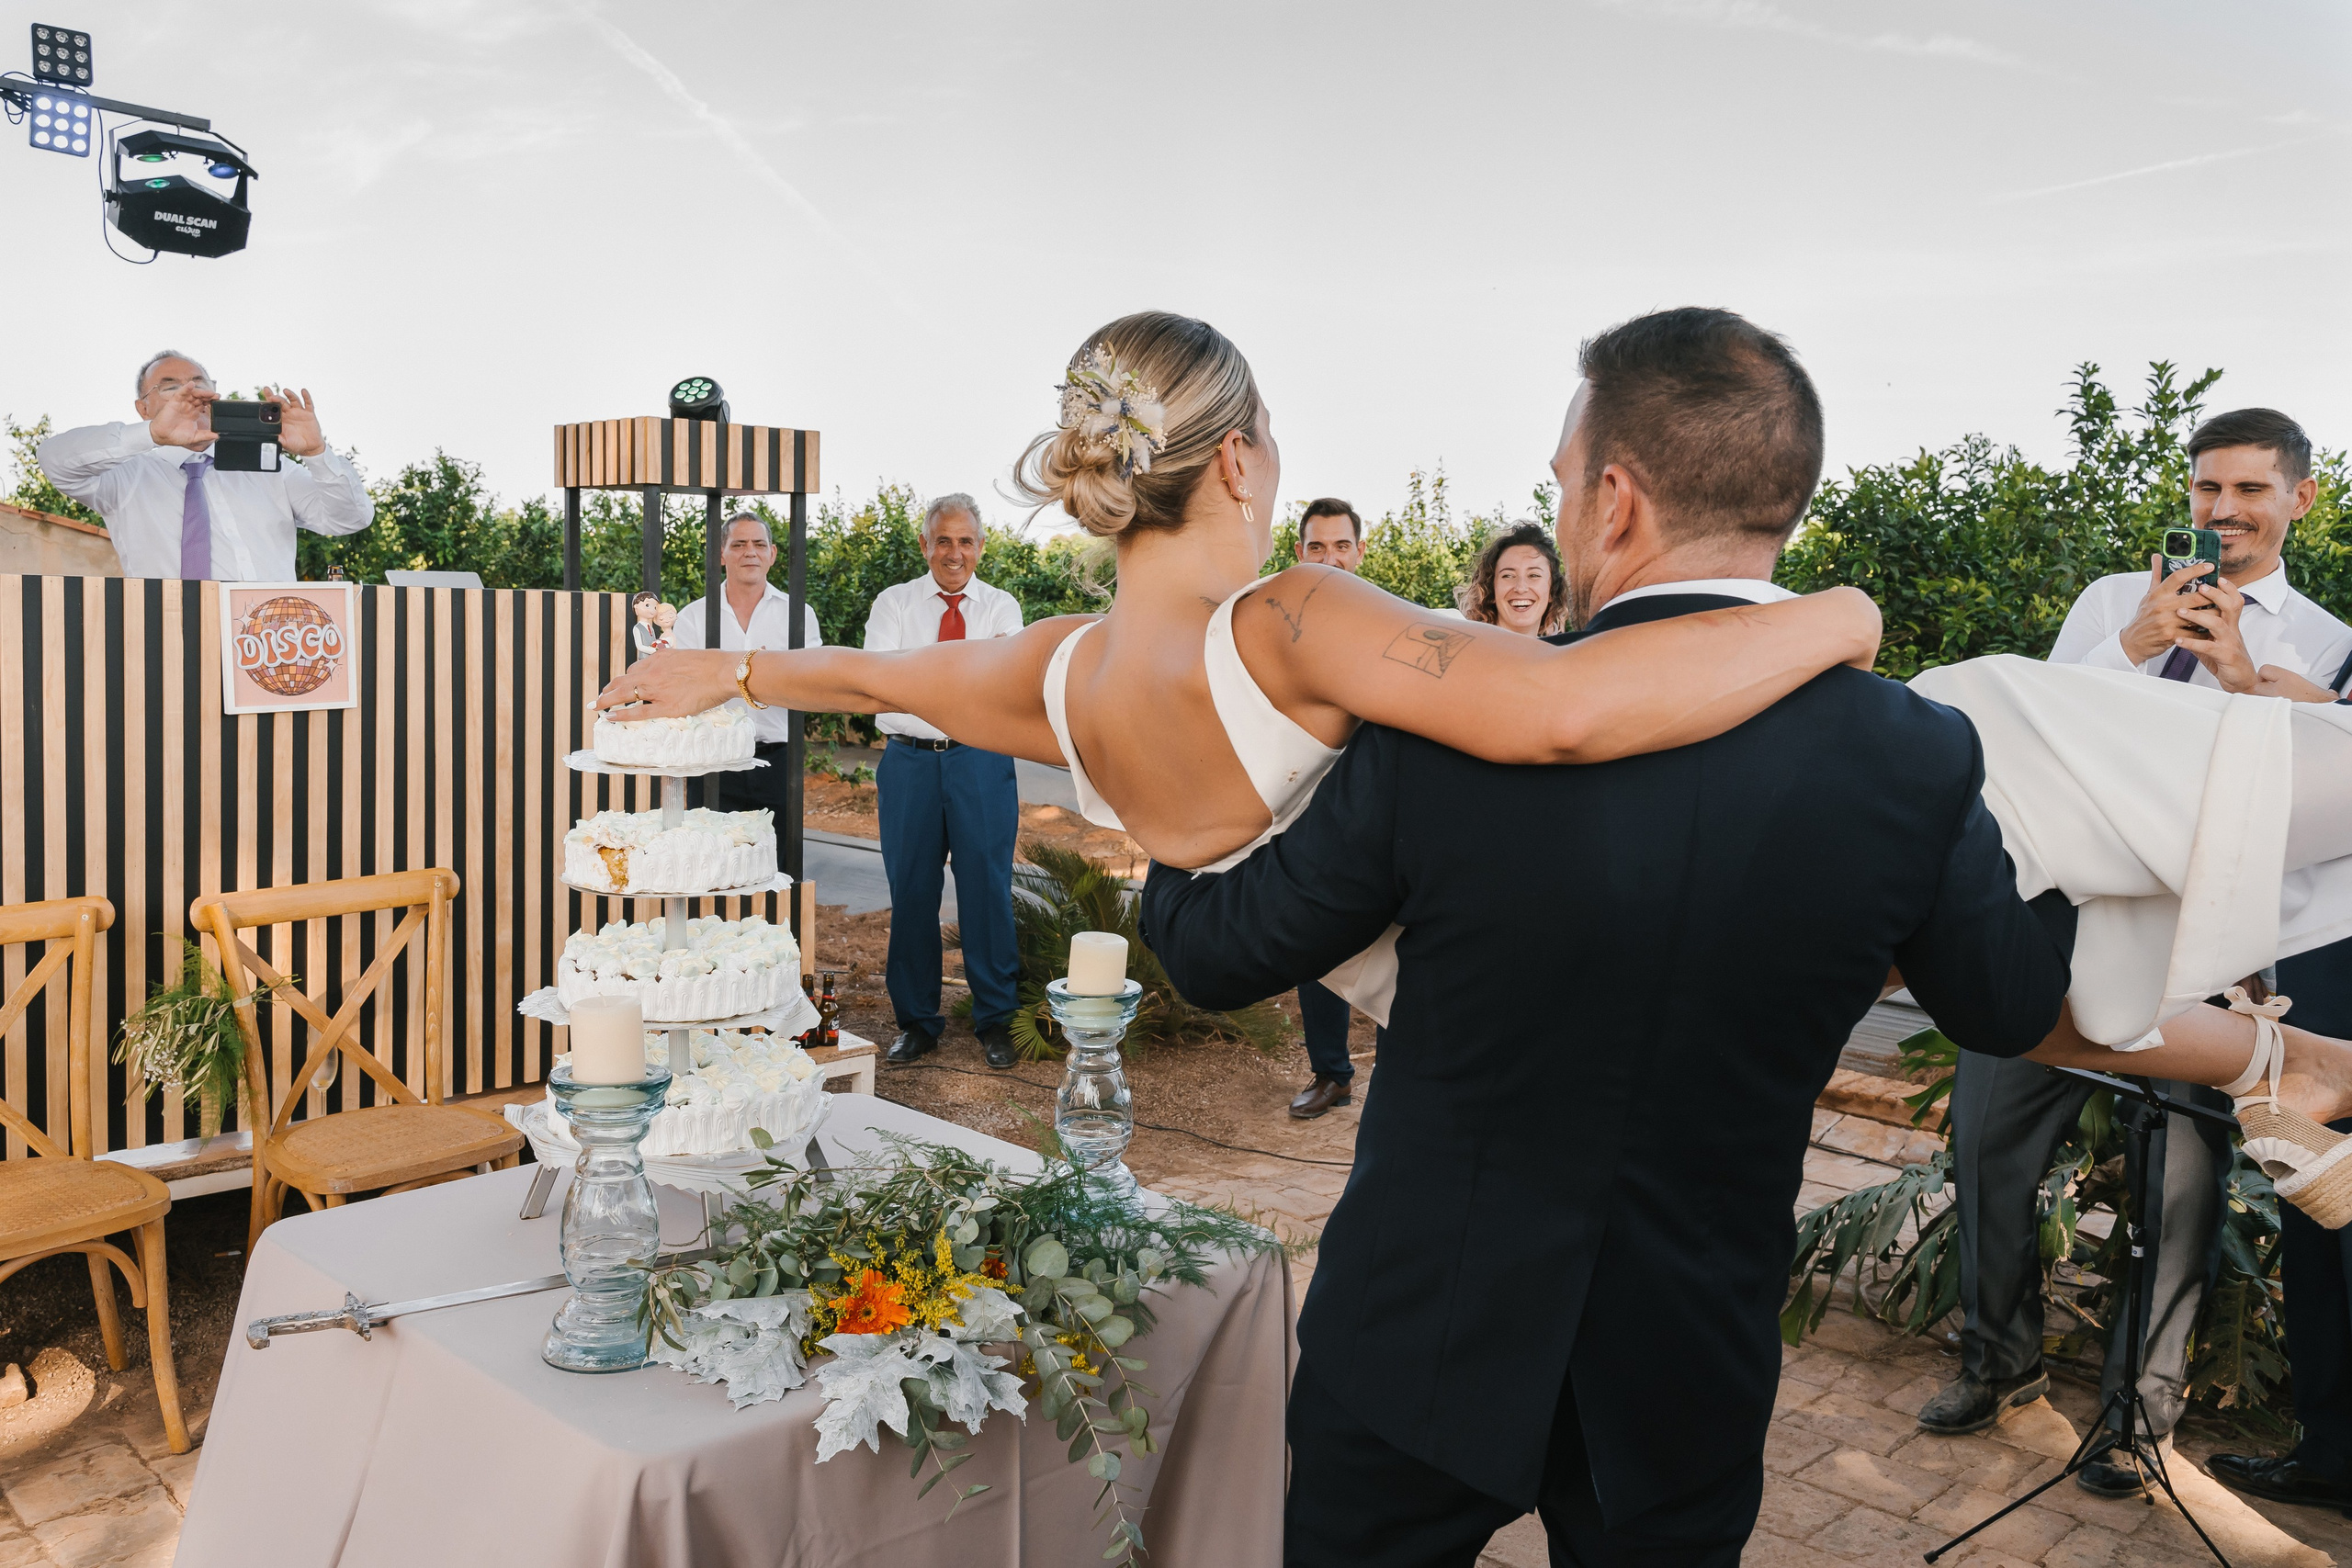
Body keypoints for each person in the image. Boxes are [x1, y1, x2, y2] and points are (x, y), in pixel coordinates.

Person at [1139, 306, 2084, 1565]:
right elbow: (2010, 1002)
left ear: (1617, 499)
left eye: (1563, 476)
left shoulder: (1451, 721)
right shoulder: (1915, 754)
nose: (1561, 499)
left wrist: (1153, 768)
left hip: (1425, 1322)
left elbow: (1215, 951)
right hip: (1686, 1354)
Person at [601, 310, 1883, 888]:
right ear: (1233, 459)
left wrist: (733, 671)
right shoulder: (1295, 622)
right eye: (1270, 438)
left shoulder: (1063, 669)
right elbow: (1561, 706)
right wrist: (1837, 615)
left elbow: (879, 680)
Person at [1923, 407, 2352, 1498]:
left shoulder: (2326, 643)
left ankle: (2135, 1420)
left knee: (2179, 1194)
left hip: (2208, 950)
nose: (2222, 512)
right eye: (2207, 489)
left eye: (2249, 490)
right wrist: (2135, 645)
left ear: (2299, 498)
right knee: (1992, 1152)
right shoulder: (2116, 601)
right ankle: (1997, 1365)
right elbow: (2035, 736)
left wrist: (2247, 672)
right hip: (2053, 923)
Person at [859, 495, 1027, 1070]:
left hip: (981, 760)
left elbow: (1006, 687)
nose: (954, 553)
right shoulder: (894, 604)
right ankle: (917, 1022)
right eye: (943, 540)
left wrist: (920, 679)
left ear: (981, 547)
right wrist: (964, 686)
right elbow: (879, 686)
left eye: (966, 541)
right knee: (911, 892)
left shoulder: (1003, 608)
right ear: (925, 545)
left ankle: (996, 1020)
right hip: (909, 763)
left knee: (986, 888)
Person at [38, 351, 371, 580]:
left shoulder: (270, 468)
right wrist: (154, 434)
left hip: (265, 648)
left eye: (200, 383)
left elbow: (350, 519)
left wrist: (316, 453)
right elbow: (55, 460)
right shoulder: (125, 473)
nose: (191, 392)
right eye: (170, 387)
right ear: (143, 408)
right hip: (165, 640)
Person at [1289, 497, 1377, 1119]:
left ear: (1359, 552)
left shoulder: (1389, 621)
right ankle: (1331, 1072)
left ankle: (1413, 1081)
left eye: (1340, 545)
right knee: (1314, 942)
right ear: (1300, 555)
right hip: (1313, 808)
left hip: (1385, 805)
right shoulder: (1279, 626)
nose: (1329, 558)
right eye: (1317, 547)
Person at [665, 512, 823, 850]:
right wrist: (765, 672)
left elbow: (812, 684)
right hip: (711, 762)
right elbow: (686, 689)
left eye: (759, 544)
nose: (749, 552)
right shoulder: (693, 616)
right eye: (738, 544)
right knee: (711, 861)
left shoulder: (798, 614)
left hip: (777, 762)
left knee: (777, 865)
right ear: (721, 554)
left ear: (772, 554)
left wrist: (724, 677)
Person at [1457, 522, 1568, 636]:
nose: (1520, 588)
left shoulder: (1561, 651)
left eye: (1534, 575)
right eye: (1508, 576)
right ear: (1491, 589)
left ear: (1552, 590)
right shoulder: (1458, 645)